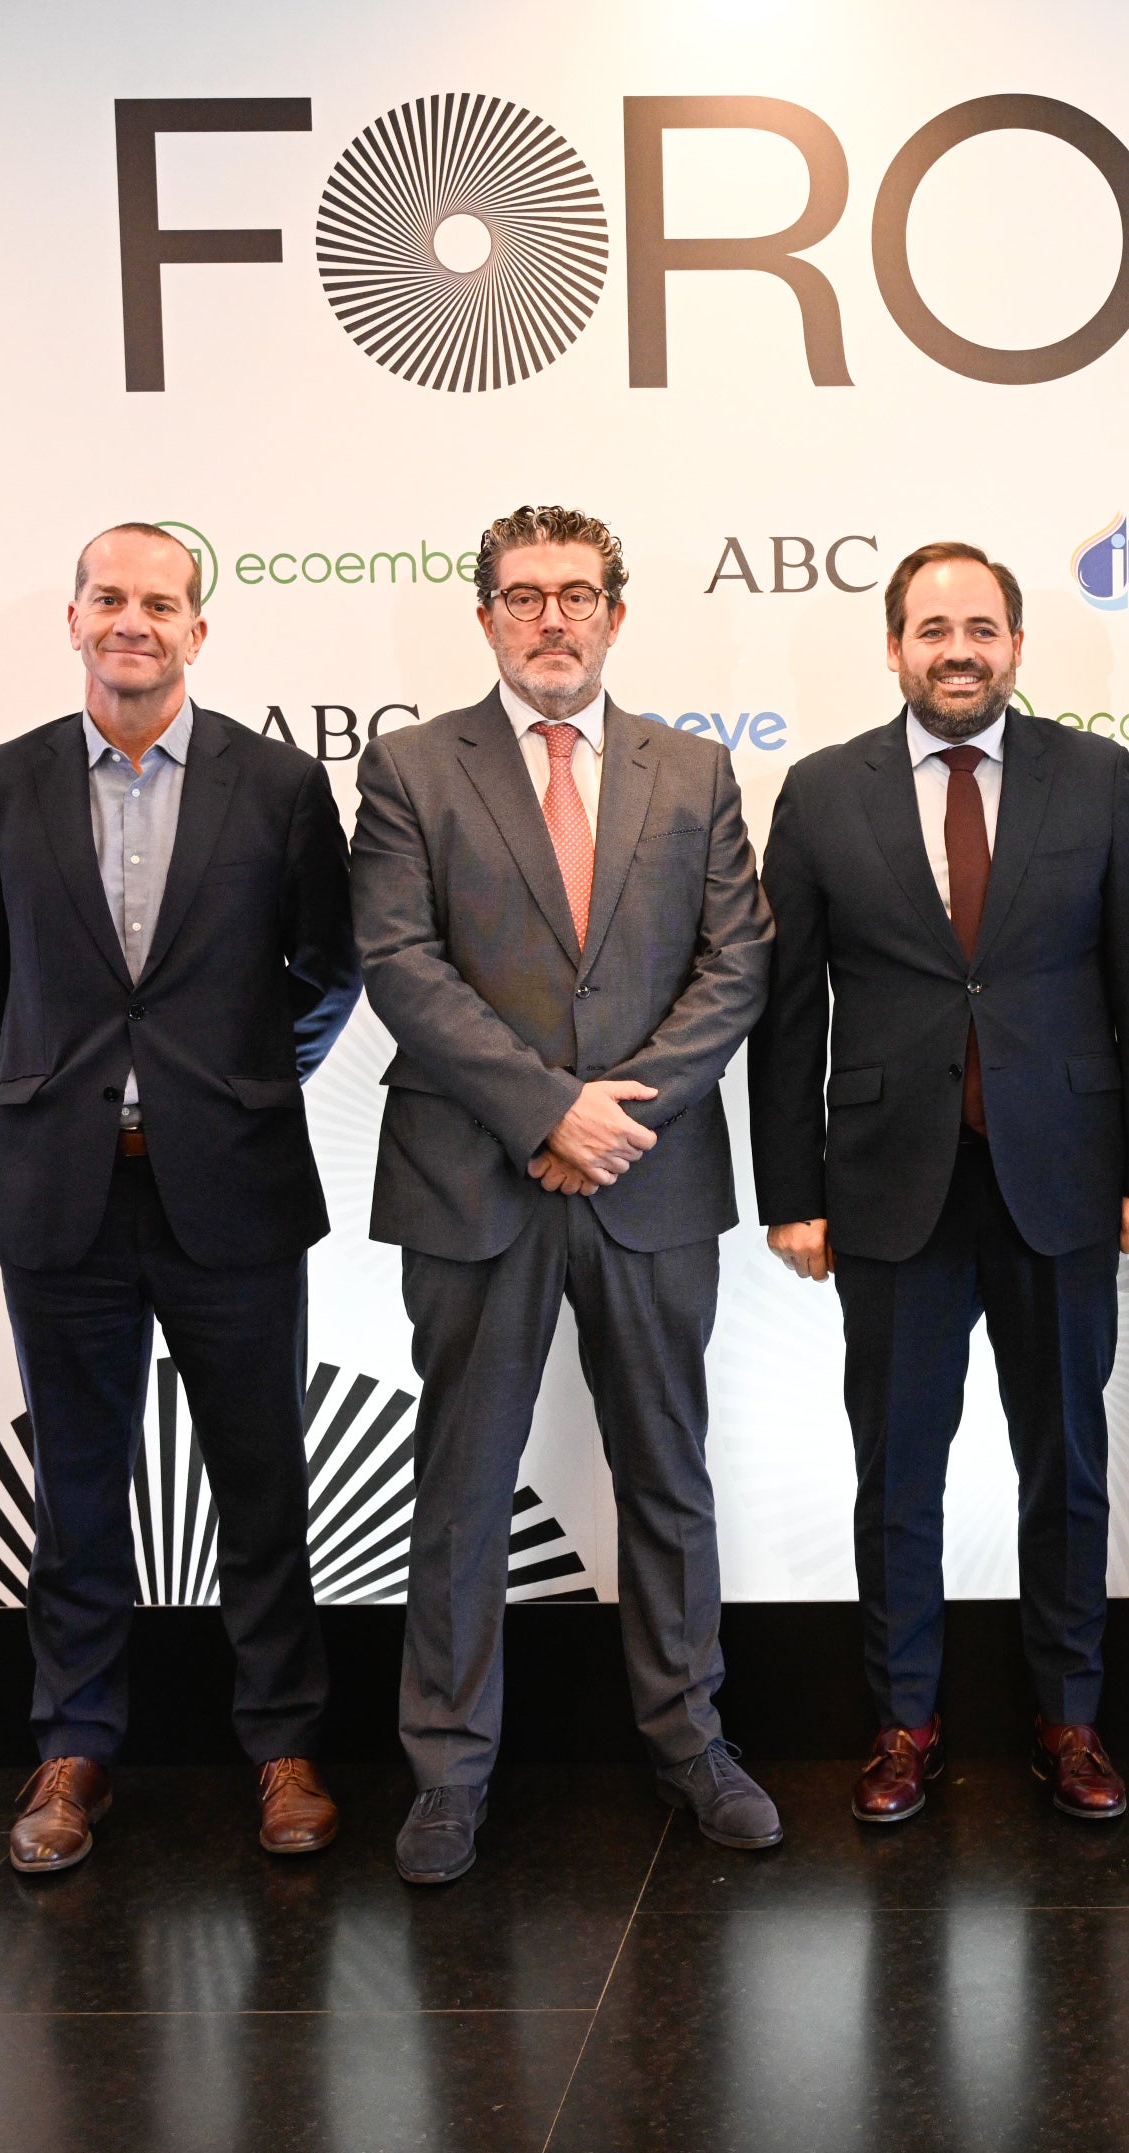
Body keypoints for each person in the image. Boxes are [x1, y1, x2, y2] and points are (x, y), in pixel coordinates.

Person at [351, 504, 777, 1881]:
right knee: (462, 1487)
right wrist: (546, 1111)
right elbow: (401, 966)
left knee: (666, 1476)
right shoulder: (412, 768)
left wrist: (610, 1122)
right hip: (474, 1181)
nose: (553, 617)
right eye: (525, 595)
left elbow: (736, 969)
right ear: (485, 617)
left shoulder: (696, 772)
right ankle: (447, 1774)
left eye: (578, 594)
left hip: (648, 1183)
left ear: (616, 614)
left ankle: (689, 1742)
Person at [0, 521, 361, 1874]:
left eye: (162, 603)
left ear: (199, 631)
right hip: (63, 1192)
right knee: (75, 1486)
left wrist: (224, 1084)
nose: (135, 620)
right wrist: (76, 1080)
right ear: (72, 620)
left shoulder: (282, 787)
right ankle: (74, 1751)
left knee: (262, 1480)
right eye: (109, 598)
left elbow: (328, 971)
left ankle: (285, 1751)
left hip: (228, 1191)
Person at [751, 542, 1129, 1825]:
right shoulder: (824, 791)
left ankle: (1069, 1718)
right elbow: (790, 1015)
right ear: (894, 647)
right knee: (896, 1469)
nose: (960, 648)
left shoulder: (1095, 776)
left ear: (1015, 645)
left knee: (1068, 1461)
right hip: (888, 1189)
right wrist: (792, 1189)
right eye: (933, 627)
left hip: (1063, 1178)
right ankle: (902, 1723)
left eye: (982, 627)